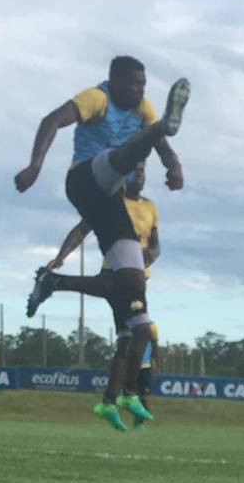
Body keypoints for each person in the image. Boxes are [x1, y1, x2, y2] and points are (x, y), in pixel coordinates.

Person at [16, 55, 189, 427]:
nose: (140, 91)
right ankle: (163, 128)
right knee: (122, 157)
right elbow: (51, 120)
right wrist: (35, 165)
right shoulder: (97, 98)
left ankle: (53, 283)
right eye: (133, 85)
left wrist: (172, 162)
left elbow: (156, 143)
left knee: (133, 283)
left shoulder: (142, 107)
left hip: (109, 201)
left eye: (144, 85)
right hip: (84, 178)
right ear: (114, 82)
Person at [45, 162, 163, 429]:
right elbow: (82, 228)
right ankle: (128, 395)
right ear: (125, 174)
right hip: (116, 275)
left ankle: (109, 402)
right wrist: (62, 255)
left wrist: (150, 257)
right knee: (140, 331)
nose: (140, 176)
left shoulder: (150, 207)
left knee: (126, 339)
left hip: (139, 279)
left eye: (144, 171)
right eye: (136, 170)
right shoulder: (112, 202)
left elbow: (155, 245)